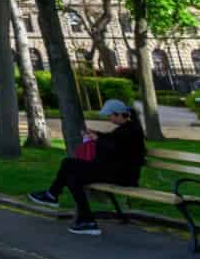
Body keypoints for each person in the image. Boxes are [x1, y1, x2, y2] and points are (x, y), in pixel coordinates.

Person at [29, 99, 148, 235]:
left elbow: (117, 150)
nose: (109, 119)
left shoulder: (132, 131)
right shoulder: (127, 128)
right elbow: (112, 139)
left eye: (110, 116)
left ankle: (57, 198)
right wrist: (96, 135)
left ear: (120, 115)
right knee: (71, 172)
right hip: (113, 171)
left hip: (122, 176)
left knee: (69, 167)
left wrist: (98, 139)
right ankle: (83, 218)